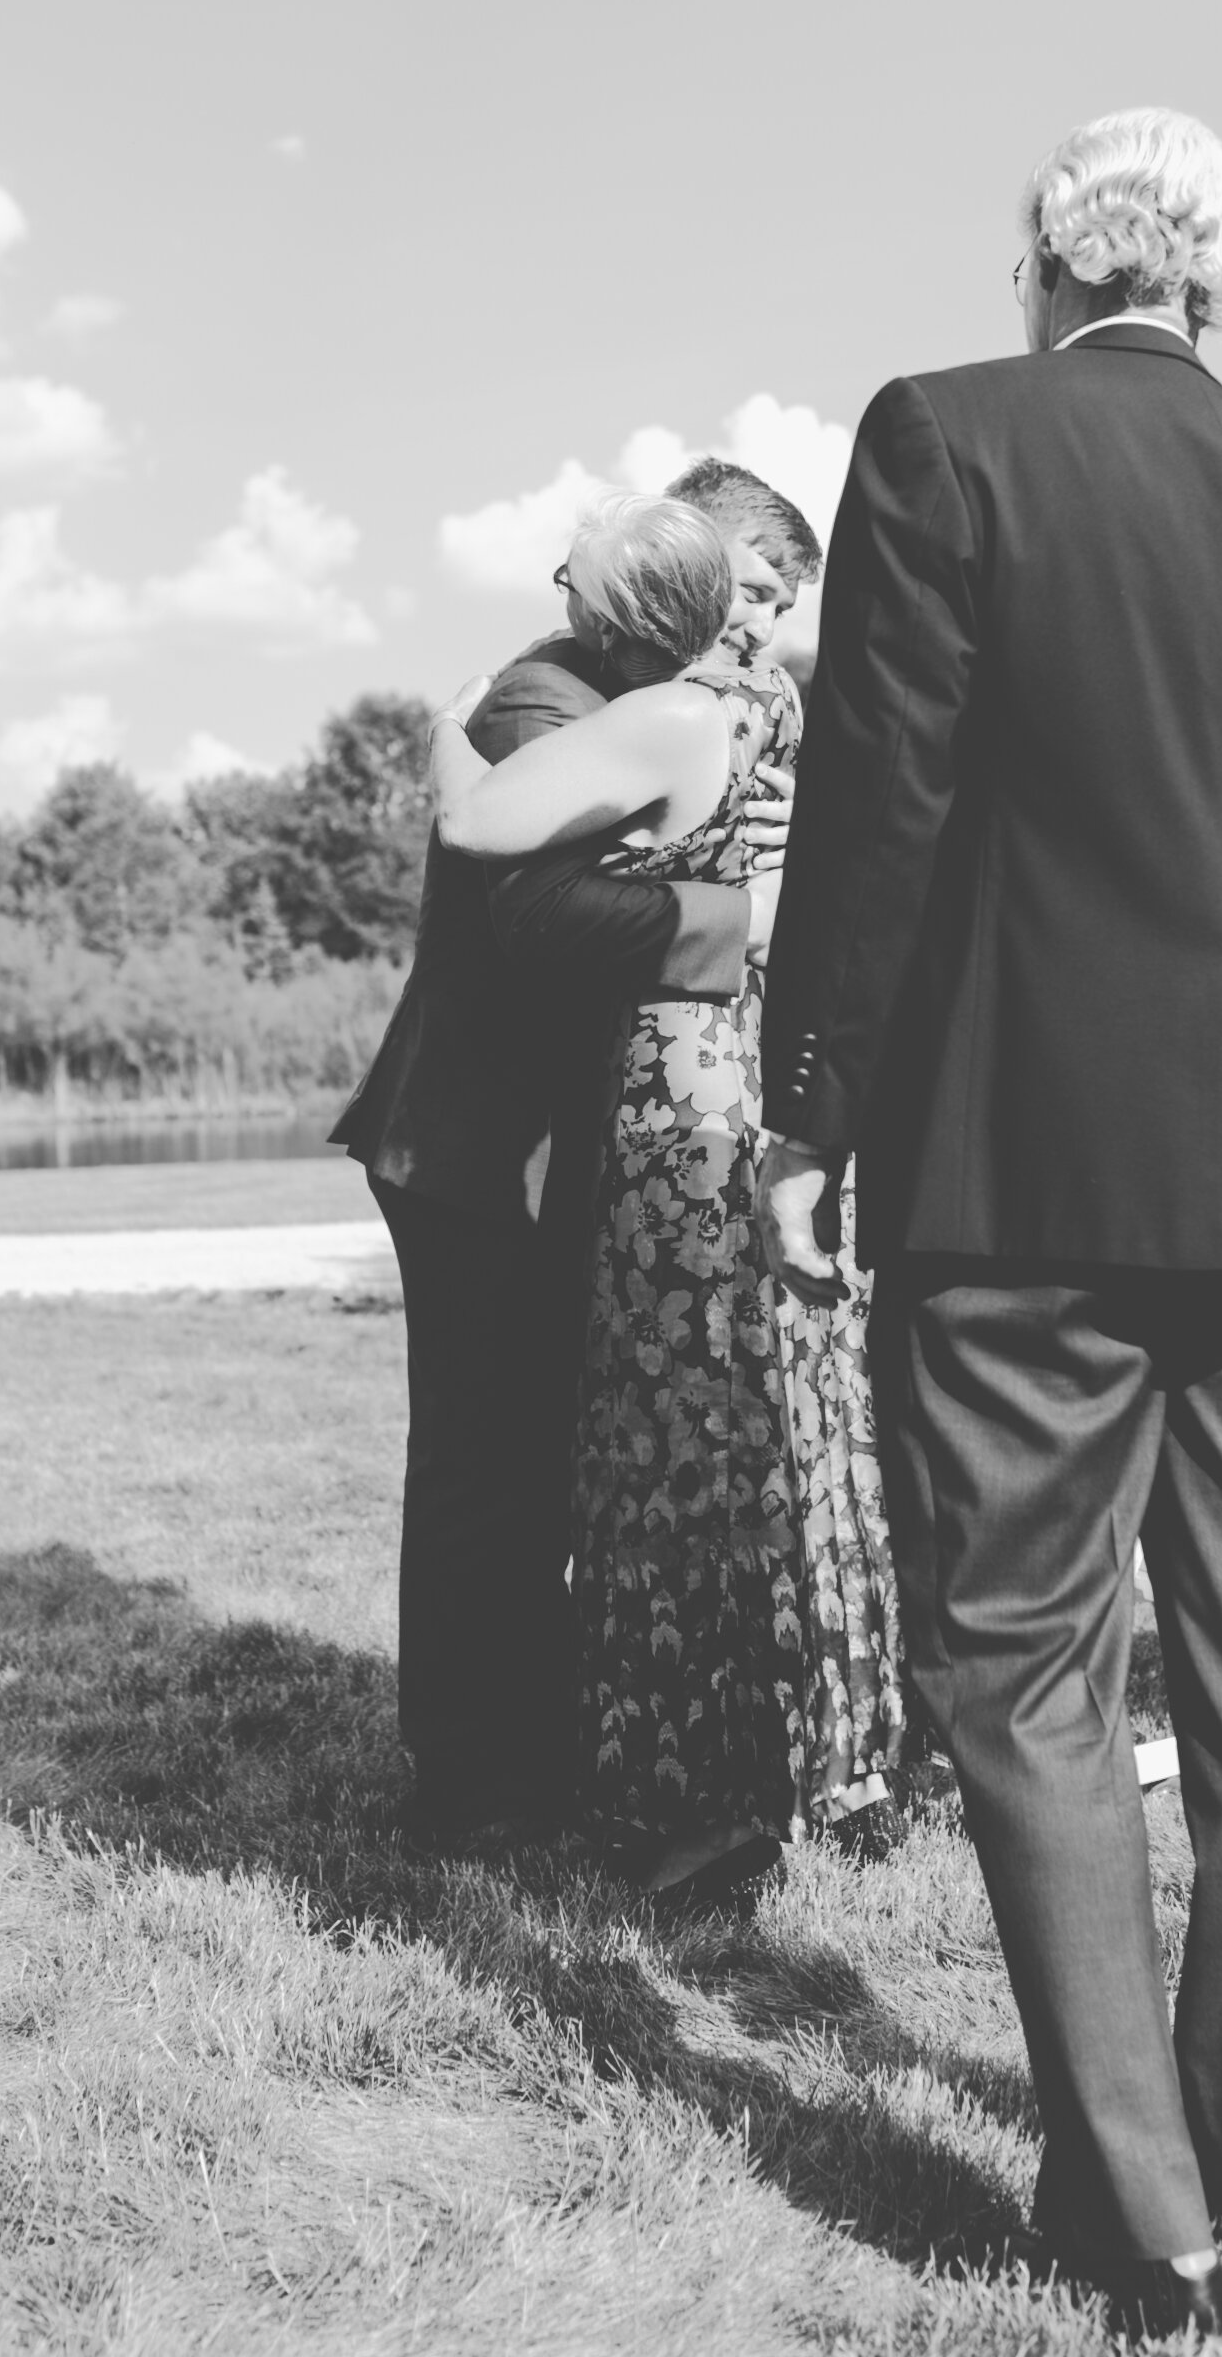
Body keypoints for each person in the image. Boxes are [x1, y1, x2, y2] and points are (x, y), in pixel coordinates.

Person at [756, 108, 1222, 2341]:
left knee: (1025, 1661)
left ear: (1050, 260)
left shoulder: (947, 441)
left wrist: (804, 1113)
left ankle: (1142, 2218)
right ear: (1215, 281)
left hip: (1022, 1170)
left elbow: (877, 807)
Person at [432, 491, 905, 1909]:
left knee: (679, 1428)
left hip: (677, 1098)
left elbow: (479, 830)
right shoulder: (778, 707)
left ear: (626, 615)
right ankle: (831, 1749)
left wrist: (438, 722)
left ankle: (699, 1787)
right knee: (783, 1412)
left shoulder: (660, 721)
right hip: (761, 1075)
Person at [333, 498, 785, 1838]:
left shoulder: (660, 698)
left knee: (547, 1452)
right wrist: (738, 918)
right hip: (478, 1141)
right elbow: (539, 918)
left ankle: (549, 1741)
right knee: (485, 1460)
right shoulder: (540, 701)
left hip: (556, 1139)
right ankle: (470, 1781)